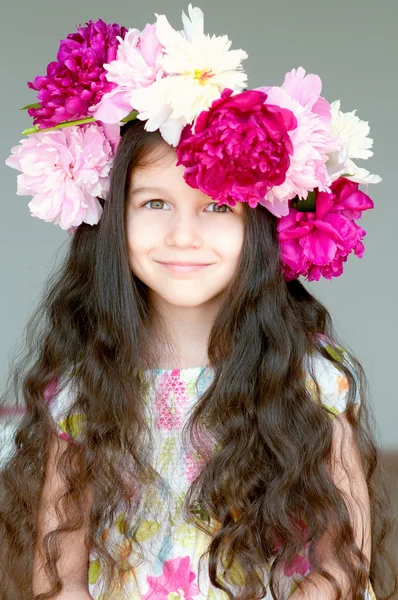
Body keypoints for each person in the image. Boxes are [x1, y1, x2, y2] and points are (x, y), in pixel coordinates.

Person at [1, 5, 397, 600]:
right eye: (155, 203)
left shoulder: (309, 380)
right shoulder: (86, 389)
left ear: (259, 226)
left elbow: (341, 568)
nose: (183, 235)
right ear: (113, 219)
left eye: (216, 208)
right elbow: (59, 581)